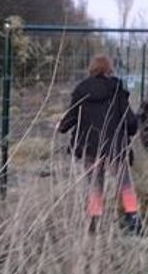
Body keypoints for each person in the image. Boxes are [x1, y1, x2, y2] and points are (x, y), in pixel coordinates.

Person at [58, 55, 143, 235]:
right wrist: (131, 131)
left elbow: (71, 116)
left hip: (90, 146)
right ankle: (133, 219)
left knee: (95, 185)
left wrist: (62, 127)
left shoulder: (81, 89)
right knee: (125, 182)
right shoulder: (116, 88)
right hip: (115, 147)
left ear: (92, 69)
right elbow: (129, 118)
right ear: (109, 69)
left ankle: (94, 223)